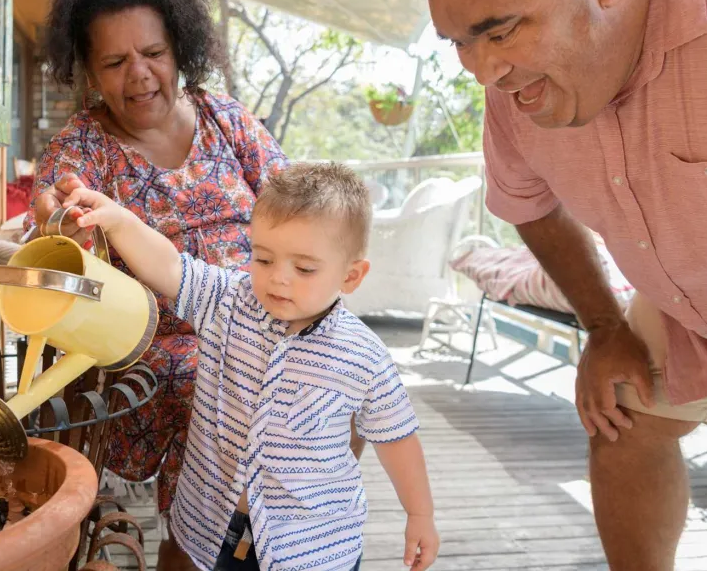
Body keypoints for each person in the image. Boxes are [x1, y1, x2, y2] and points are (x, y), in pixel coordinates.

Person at [400, 0, 707, 569]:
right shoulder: (515, 85)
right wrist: (604, 326)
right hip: (689, 300)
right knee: (621, 418)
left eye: (500, 30)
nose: (481, 72)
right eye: (460, 43)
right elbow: (528, 202)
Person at [24, 0, 361, 569]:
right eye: (116, 62)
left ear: (180, 47)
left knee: (344, 370)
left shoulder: (225, 119)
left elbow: (299, 209)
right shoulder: (83, 149)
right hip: (164, 346)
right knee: (226, 382)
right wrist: (56, 212)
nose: (140, 75)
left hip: (272, 314)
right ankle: (204, 544)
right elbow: (59, 216)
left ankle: (294, 533)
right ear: (90, 73)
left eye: (153, 54)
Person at [60, 162, 440, 571]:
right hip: (212, 525)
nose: (279, 278)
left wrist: (420, 514)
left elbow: (397, 438)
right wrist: (118, 220)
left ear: (351, 276)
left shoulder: (364, 356)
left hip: (313, 545)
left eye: (305, 268)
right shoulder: (226, 302)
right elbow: (169, 266)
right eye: (263, 259)